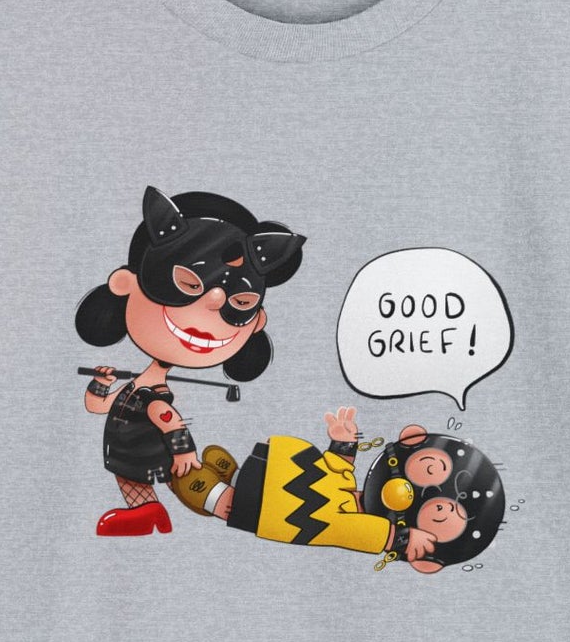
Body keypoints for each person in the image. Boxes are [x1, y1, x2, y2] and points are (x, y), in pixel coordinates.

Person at [75, 186, 304, 535]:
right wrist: (100, 384)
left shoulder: (150, 394)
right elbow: (97, 407)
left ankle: (225, 499)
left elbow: (169, 420)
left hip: (145, 455)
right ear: (126, 284)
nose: (212, 302)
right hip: (132, 454)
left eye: (241, 303)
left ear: (256, 321)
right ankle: (155, 510)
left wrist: (184, 452)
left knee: (181, 482)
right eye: (188, 284)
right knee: (154, 483)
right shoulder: (137, 387)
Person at [174, 410, 505, 574]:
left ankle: (211, 494)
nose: (420, 493)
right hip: (304, 479)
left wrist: (400, 539)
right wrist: (343, 445)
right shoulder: (353, 496)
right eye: (430, 468)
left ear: (426, 562)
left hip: (296, 515)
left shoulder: (354, 525)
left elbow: (359, 532)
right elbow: (338, 474)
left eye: (441, 515)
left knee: (250, 504)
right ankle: (233, 473)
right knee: (274, 475)